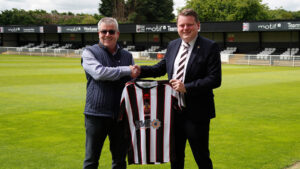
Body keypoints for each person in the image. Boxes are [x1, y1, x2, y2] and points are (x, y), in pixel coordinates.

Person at [134, 9, 222, 169]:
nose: (185, 28)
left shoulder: (210, 47)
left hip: (197, 113)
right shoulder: (173, 45)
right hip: (172, 113)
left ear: (198, 25)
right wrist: (140, 70)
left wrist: (186, 87)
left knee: (201, 157)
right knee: (175, 157)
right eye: (182, 25)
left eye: (189, 25)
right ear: (177, 27)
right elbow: (161, 68)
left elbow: (215, 79)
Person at [81, 17, 139, 169]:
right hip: (96, 114)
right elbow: (99, 73)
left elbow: (132, 82)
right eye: (103, 31)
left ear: (118, 34)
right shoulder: (89, 52)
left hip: (121, 116)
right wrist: (127, 70)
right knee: (91, 160)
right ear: (98, 33)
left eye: (111, 31)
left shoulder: (127, 56)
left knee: (120, 161)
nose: (107, 34)